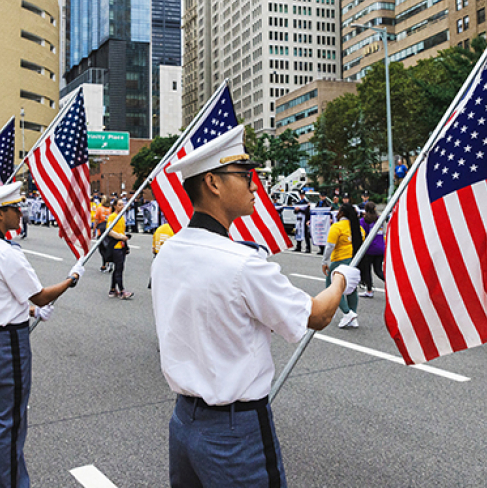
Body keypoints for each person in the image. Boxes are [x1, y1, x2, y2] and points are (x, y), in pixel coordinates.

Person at [151, 125, 360, 486]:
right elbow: (319, 314)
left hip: (184, 421)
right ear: (213, 183)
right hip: (234, 432)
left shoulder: (168, 252)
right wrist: (343, 278)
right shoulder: (240, 263)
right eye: (245, 176)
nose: (254, 185)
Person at [0, 182, 85, 488]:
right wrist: (72, 279)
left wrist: (29, 312)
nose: (21, 212)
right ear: (0, 214)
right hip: (7, 345)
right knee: (9, 424)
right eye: (16, 208)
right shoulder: (5, 253)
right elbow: (39, 295)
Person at [322, 202, 365, 328]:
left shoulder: (337, 226)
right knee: (351, 289)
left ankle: (347, 313)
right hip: (354, 261)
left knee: (332, 288)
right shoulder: (358, 227)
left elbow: (330, 246)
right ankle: (353, 315)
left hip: (340, 260)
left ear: (342, 213)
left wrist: (325, 262)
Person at [107, 198, 133, 299]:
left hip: (122, 246)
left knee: (118, 268)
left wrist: (125, 239)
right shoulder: (112, 217)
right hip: (115, 246)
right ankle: (122, 291)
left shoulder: (121, 217)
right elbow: (109, 231)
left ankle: (113, 289)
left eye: (122, 204)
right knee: (119, 268)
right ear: (114, 206)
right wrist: (121, 237)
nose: (122, 206)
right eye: (119, 205)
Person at [358, 202, 385, 298]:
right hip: (381, 247)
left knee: (367, 270)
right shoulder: (380, 219)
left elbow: (362, 234)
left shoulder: (364, 220)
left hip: (369, 248)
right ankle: (391, 285)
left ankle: (369, 290)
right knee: (378, 270)